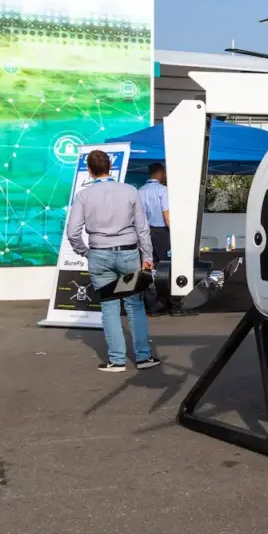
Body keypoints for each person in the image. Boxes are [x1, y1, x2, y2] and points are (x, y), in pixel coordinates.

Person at [66, 150, 160, 373]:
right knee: (135, 305)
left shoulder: (83, 196)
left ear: (89, 171)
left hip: (99, 254)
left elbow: (72, 232)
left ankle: (116, 361)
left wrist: (85, 252)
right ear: (110, 167)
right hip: (128, 253)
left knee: (109, 307)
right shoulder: (130, 191)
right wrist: (147, 257)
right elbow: (142, 229)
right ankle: (143, 358)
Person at [138, 163, 171, 314]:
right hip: (161, 232)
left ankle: (150, 303)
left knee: (148, 266)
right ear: (160, 172)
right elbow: (167, 215)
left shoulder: (139, 191)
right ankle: (165, 301)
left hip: (144, 232)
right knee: (165, 267)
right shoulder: (163, 190)